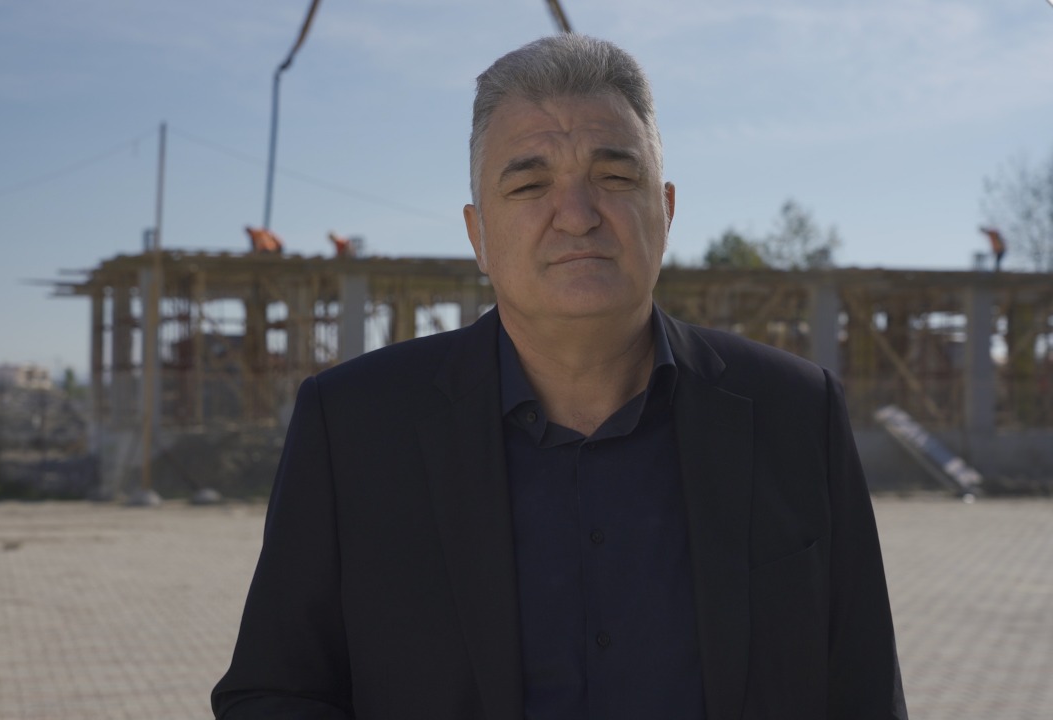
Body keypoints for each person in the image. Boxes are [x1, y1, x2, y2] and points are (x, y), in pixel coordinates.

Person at [212, 34, 907, 720]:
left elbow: (865, 695)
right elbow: (273, 694)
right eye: (529, 184)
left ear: (666, 212)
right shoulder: (354, 427)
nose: (576, 216)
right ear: (478, 235)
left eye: (615, 178)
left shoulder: (796, 413)